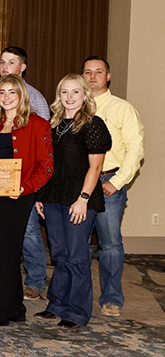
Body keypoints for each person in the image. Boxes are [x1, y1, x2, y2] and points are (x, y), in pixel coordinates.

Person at [0, 74, 53, 327]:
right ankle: (15, 308)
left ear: (21, 95)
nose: (6, 97)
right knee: (0, 251)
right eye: (2, 93)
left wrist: (24, 187)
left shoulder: (38, 124)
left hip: (19, 196)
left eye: (12, 92)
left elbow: (46, 166)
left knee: (1, 252)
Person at [34, 74, 112, 328]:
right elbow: (48, 165)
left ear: (85, 95)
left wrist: (83, 199)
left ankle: (77, 312)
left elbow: (96, 166)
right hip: (54, 197)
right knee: (60, 254)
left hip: (80, 199)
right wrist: (41, 197)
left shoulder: (93, 124)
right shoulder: (53, 124)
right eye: (64, 92)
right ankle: (57, 304)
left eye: (75, 92)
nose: (69, 97)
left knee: (77, 255)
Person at [82, 56, 144, 318]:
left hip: (109, 183)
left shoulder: (122, 108)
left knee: (109, 245)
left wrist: (117, 182)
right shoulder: (74, 105)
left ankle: (111, 298)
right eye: (87, 72)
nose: (92, 76)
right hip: (80, 185)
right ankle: (78, 296)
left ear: (108, 76)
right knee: (79, 246)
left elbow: (135, 149)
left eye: (99, 72)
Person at [0, 46, 51, 302]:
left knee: (29, 232)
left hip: (26, 182)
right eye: (2, 62)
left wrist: (31, 187)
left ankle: (36, 280)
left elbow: (42, 148)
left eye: (11, 62)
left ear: (23, 67)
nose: (5, 67)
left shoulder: (35, 99)